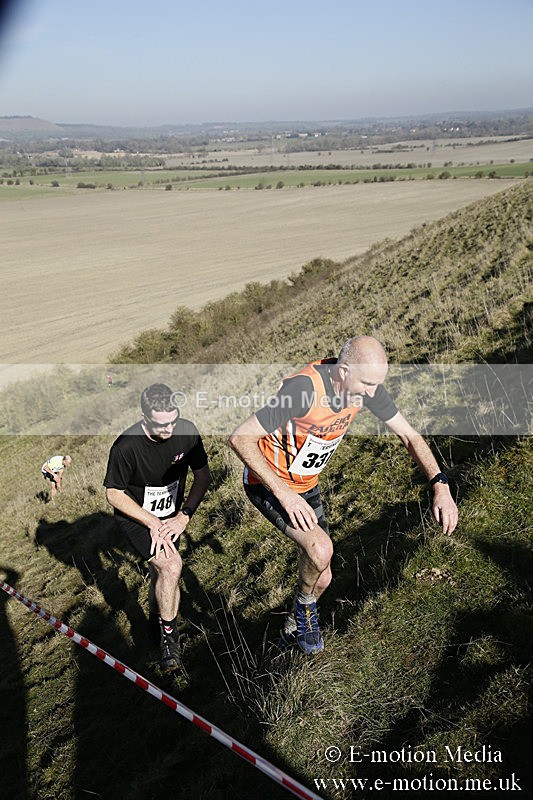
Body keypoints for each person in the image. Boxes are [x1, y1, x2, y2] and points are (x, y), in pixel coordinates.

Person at [228, 336, 458, 655]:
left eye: (377, 384)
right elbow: (240, 439)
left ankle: (290, 631)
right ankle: (307, 616)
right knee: (321, 549)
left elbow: (410, 435)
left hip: (305, 483)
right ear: (344, 370)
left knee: (321, 578)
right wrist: (284, 493)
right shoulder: (303, 392)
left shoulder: (365, 387)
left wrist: (439, 484)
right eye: (366, 384)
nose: (372, 393)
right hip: (268, 483)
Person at [104, 383, 211, 670]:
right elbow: (113, 494)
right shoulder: (126, 445)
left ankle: (156, 622)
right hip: (137, 517)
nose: (169, 430)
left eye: (173, 422)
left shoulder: (186, 432)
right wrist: (151, 521)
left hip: (171, 515)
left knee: (162, 571)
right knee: (172, 566)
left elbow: (202, 477)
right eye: (161, 425)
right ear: (144, 417)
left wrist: (184, 515)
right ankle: (169, 641)